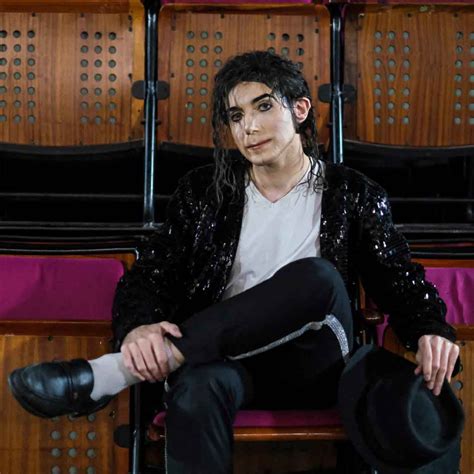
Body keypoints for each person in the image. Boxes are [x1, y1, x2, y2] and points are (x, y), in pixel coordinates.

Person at [9, 51, 460, 473]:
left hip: (317, 360)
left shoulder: (352, 193)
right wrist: (138, 328)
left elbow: (399, 277)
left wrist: (431, 329)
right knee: (196, 387)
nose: (249, 127)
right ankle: (163, 358)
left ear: (300, 110)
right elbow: (152, 273)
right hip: (229, 358)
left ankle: (117, 372)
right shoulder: (204, 192)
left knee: (318, 278)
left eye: (263, 107)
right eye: (236, 116)